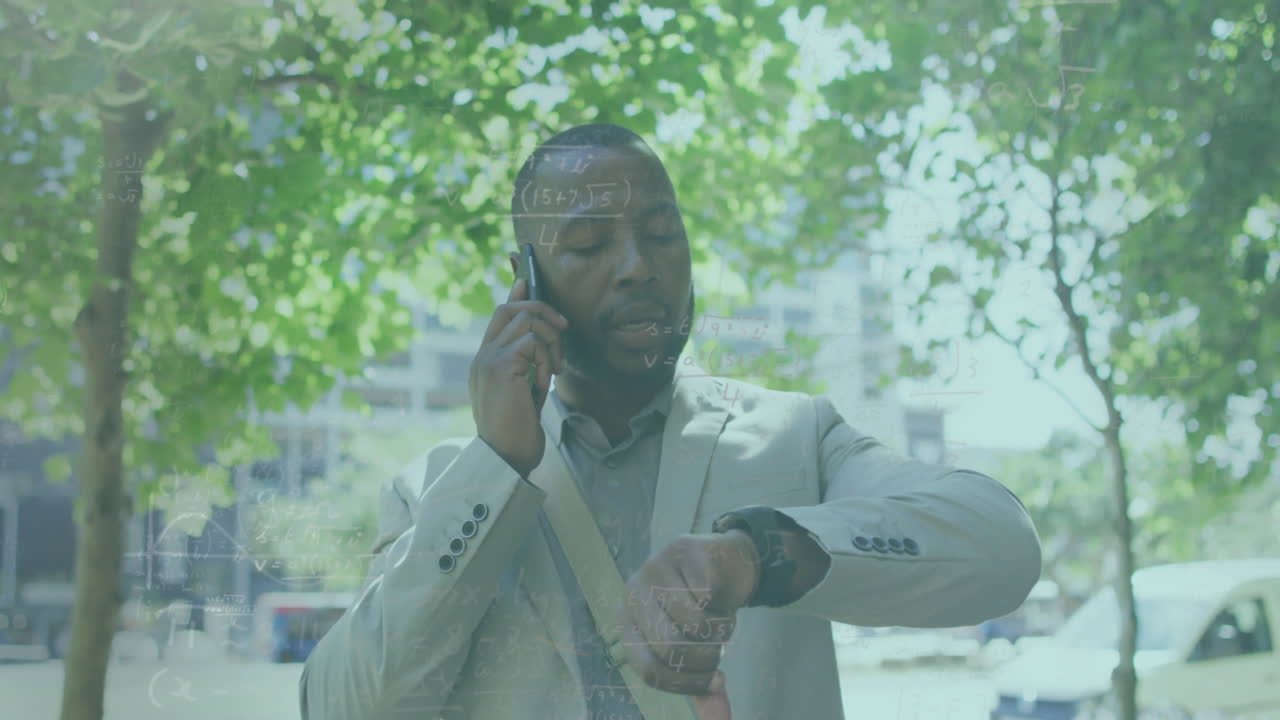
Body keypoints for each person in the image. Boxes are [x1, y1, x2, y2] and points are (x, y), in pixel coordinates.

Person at [299, 123, 1042, 720]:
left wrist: (759, 555)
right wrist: (496, 462)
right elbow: (343, 707)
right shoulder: (437, 490)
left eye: (661, 234)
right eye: (589, 245)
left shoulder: (797, 437)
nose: (638, 267)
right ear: (526, 276)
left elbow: (1003, 550)